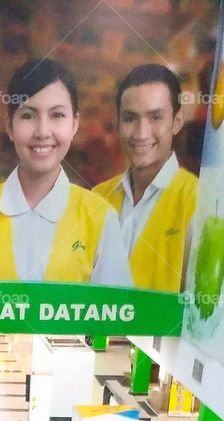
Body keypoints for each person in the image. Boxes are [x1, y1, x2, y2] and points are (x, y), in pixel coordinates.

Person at [0, 59, 132, 287]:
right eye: (28, 116)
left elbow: (114, 316)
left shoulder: (99, 218)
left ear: (74, 124)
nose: (42, 132)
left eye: (57, 115)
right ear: (10, 126)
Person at [93, 64, 198, 292]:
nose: (141, 133)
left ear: (177, 122)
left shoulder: (198, 201)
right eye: (130, 118)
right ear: (118, 123)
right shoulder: (96, 199)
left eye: (155, 117)